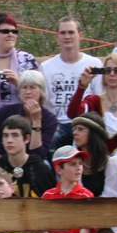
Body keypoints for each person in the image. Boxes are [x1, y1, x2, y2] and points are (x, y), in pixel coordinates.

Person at [68, 52, 117, 171]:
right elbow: (73, 114)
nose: (112, 74)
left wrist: (116, 167)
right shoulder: (93, 101)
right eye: (107, 70)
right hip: (92, 164)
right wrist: (82, 86)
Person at [39, 16, 103, 149]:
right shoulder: (46, 67)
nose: (67, 36)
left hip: (86, 121)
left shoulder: (94, 64)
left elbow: (100, 98)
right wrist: (50, 124)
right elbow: (44, 102)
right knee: (51, 140)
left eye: (71, 32)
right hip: (58, 123)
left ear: (80, 36)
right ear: (57, 37)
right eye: (63, 33)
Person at [0, 69, 57, 162]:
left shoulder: (50, 119)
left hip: (33, 165)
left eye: (32, 87)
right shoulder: (6, 111)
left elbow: (37, 155)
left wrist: (37, 121)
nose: (28, 92)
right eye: (24, 87)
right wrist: (1, 161)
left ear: (41, 91)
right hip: (4, 161)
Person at [0, 115, 55, 198]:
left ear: (27, 139)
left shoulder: (40, 169)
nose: (9, 140)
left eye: (15, 135)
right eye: (6, 135)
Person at [71, 113, 117, 198]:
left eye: (80, 129)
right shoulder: (72, 163)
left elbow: (111, 198)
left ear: (93, 134)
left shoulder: (111, 163)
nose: (75, 133)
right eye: (74, 129)